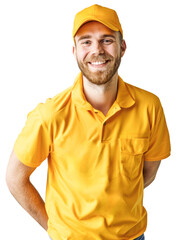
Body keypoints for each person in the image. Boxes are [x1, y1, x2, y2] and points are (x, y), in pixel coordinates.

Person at [6, 4, 171, 240]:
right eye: (86, 41)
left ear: (122, 47)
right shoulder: (50, 115)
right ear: (74, 51)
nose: (97, 50)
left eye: (106, 40)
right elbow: (15, 178)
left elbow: (148, 173)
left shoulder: (149, 107)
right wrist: (55, 228)